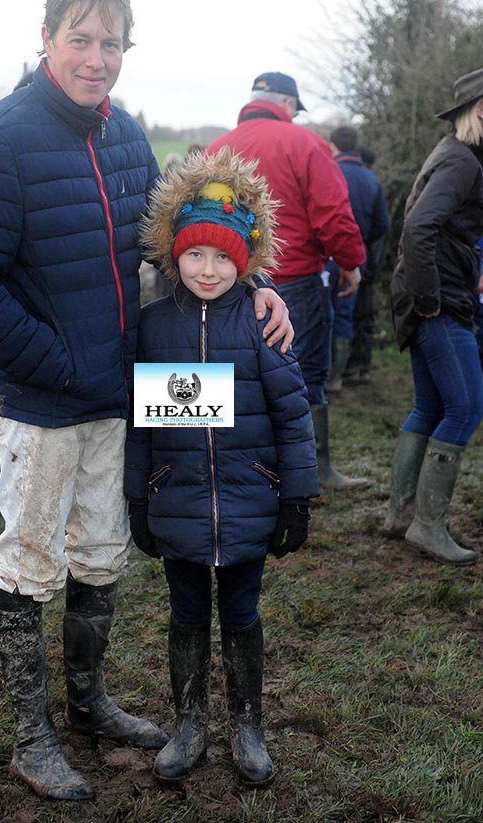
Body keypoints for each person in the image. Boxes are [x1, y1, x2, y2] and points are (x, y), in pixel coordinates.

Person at [0, 0, 293, 802]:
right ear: (47, 38)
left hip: (120, 397)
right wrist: (58, 362)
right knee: (31, 560)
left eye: (113, 43)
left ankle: (88, 702)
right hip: (41, 403)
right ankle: (32, 737)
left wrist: (254, 285)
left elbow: (180, 243)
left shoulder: (125, 134)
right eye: (81, 39)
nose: (97, 58)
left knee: (102, 551)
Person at [125, 148, 319, 787]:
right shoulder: (153, 328)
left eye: (223, 257)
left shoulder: (264, 325)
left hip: (248, 503)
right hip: (177, 502)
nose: (208, 270)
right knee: (185, 614)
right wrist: (138, 497)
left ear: (245, 260)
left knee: (241, 613)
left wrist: (296, 498)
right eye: (195, 255)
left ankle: (246, 724)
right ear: (173, 255)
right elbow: (143, 424)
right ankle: (188, 724)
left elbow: (293, 415)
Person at [206, 72, 367, 489]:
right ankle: (314, 470)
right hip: (295, 281)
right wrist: (351, 262)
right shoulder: (306, 143)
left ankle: (240, 471)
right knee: (304, 376)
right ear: (288, 104)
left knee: (236, 376)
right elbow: (333, 214)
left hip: (231, 284)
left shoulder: (216, 150)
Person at [384, 68, 483, 566]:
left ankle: (400, 515)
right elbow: (418, 226)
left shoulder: (453, 154)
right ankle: (426, 526)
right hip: (437, 301)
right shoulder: (461, 162)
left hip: (429, 293)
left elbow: (431, 225)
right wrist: (429, 300)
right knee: (465, 408)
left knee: (431, 407)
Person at [325, 126, 390, 391]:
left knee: (321, 313)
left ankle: (319, 374)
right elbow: (382, 223)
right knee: (344, 315)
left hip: (327, 255)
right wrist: (361, 241)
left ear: (332, 145)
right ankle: (337, 377)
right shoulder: (370, 179)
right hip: (356, 255)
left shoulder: (329, 171)